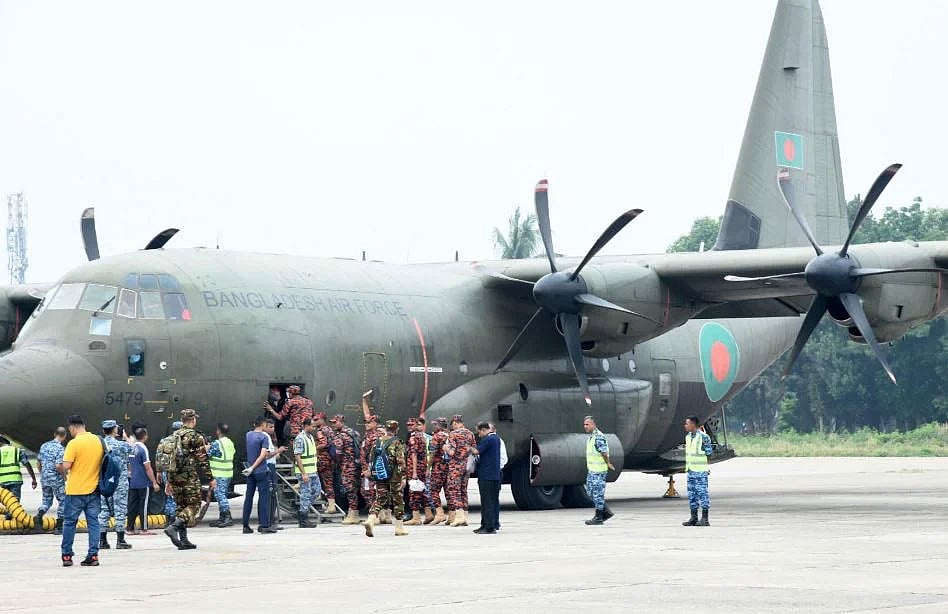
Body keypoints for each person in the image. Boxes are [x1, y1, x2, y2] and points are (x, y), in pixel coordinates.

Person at [163, 409, 214, 550]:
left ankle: (184, 540)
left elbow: (169, 460)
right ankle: (173, 527)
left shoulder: (174, 436)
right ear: (193, 420)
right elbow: (202, 459)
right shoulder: (195, 437)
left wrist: (168, 481)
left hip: (174, 477)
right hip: (189, 477)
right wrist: (210, 478)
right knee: (194, 505)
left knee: (181, 507)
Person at [57, 414, 104, 567]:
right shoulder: (98, 441)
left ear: (72, 427)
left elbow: (66, 466)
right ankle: (93, 555)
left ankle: (67, 556)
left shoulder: (73, 444)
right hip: (94, 490)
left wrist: (59, 467)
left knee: (70, 523)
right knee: (93, 523)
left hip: (75, 491)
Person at [363, 420, 408, 538]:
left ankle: (371, 520)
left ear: (386, 429)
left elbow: (371, 459)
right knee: (398, 499)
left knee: (380, 498)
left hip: (380, 474)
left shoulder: (377, 442)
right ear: (396, 429)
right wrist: (403, 476)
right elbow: (400, 461)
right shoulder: (398, 442)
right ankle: (399, 528)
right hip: (394, 475)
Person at [98, 420, 134, 550]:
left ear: (103, 431)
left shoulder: (99, 444)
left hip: (104, 481)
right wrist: (125, 437)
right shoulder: (121, 444)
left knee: (104, 510)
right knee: (120, 509)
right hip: (119, 481)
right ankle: (120, 540)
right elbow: (134, 450)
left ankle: (102, 540)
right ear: (115, 430)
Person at [242, 416, 275, 534]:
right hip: (260, 471)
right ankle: (264, 525)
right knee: (264, 498)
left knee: (248, 497)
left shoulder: (248, 435)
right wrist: (253, 467)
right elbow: (263, 456)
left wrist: (250, 468)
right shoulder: (264, 437)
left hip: (250, 473)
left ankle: (245, 525)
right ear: (263, 425)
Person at [468, 421, 501, 534]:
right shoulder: (495, 438)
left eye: (479, 432)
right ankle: (485, 525)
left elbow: (477, 451)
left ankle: (489, 527)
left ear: (483, 430)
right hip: (491, 475)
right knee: (487, 502)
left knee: (488, 502)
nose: (478, 435)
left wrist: (467, 446)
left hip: (488, 476)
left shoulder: (489, 439)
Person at [126, 427, 159, 535]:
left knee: (132, 505)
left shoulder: (132, 448)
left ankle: (130, 528)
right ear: (145, 436)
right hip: (143, 482)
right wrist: (154, 482)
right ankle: (144, 529)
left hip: (133, 482)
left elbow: (129, 465)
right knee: (143, 505)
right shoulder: (143, 449)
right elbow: (148, 467)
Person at [583, 416, 615, 526]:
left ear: (593, 425)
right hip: (592, 470)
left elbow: (604, 452)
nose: (585, 426)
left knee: (597, 494)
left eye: (587, 424)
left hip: (599, 471)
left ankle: (599, 516)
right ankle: (606, 511)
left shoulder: (598, 437)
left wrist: (608, 463)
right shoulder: (591, 437)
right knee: (590, 492)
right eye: (584, 424)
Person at [682, 415, 713, 527]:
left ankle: (705, 518)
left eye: (687, 423)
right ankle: (693, 517)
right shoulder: (688, 437)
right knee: (692, 495)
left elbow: (709, 453)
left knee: (702, 494)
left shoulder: (704, 437)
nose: (685, 426)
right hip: (690, 470)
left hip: (700, 471)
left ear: (693, 425)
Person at [445, 414, 476, 527]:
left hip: (456, 466)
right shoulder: (470, 434)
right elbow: (474, 450)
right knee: (463, 490)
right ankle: (465, 516)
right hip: (467, 466)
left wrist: (446, 448)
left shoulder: (453, 434)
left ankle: (459, 516)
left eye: (453, 424)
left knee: (453, 489)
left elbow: (452, 452)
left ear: (455, 423)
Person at [330, 414, 361, 525]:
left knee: (349, 490)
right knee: (356, 489)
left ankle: (353, 514)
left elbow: (337, 453)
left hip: (347, 466)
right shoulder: (354, 432)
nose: (333, 425)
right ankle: (355, 513)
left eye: (335, 422)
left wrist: (338, 464)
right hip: (357, 465)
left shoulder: (340, 436)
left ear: (341, 422)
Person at [34, 427, 67, 533]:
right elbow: (58, 465)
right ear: (64, 436)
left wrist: (43, 473)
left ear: (54, 434)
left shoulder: (44, 446)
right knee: (63, 500)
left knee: (46, 500)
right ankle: (59, 525)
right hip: (56, 478)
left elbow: (38, 463)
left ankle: (39, 516)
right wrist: (64, 475)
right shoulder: (60, 448)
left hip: (45, 478)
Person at [293, 418, 320, 528]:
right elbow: (297, 456)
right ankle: (303, 519)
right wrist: (303, 473)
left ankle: (301, 512)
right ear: (306, 425)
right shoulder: (300, 438)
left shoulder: (310, 437)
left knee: (317, 491)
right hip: (305, 472)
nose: (313, 428)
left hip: (313, 470)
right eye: (312, 426)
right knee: (305, 494)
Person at [360, 410, 386, 522]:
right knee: (375, 490)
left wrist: (367, 469)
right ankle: (381, 514)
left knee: (368, 490)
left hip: (373, 467)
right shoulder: (371, 435)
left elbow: (375, 454)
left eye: (369, 422)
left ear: (375, 423)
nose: (366, 424)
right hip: (374, 466)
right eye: (366, 422)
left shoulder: (375, 437)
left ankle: (375, 515)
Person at [405, 417, 432, 525]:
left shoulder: (414, 437)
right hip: (422, 466)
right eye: (408, 424)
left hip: (415, 468)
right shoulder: (422, 436)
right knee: (422, 491)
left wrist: (414, 471)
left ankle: (416, 518)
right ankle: (429, 514)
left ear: (416, 425)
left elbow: (414, 454)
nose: (409, 426)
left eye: (411, 425)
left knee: (414, 491)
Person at [208, 422, 236, 528]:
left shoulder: (217, 443)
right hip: (227, 472)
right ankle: (222, 518)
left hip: (219, 473)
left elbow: (207, 455)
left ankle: (227, 517)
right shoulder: (229, 442)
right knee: (221, 494)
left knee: (220, 495)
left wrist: (207, 447)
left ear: (218, 431)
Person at [0, 434, 37, 513]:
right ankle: (12, 518)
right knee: (14, 503)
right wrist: (33, 479)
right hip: (15, 480)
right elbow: (27, 464)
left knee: (5, 501)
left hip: (2, 481)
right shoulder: (17, 450)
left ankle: (9, 519)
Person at [263, 418, 287, 529]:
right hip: (268, 467)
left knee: (272, 495)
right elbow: (267, 455)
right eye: (270, 427)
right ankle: (269, 521)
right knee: (271, 494)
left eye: (273, 427)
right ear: (264, 426)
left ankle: (270, 521)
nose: (272, 429)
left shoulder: (269, 437)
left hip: (271, 466)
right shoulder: (265, 437)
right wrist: (279, 450)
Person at [313, 412, 338, 514]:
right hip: (330, 459)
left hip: (323, 459)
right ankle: (331, 505)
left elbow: (323, 444)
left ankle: (319, 496)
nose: (314, 421)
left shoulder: (320, 431)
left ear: (322, 420)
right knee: (328, 483)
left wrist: (313, 449)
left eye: (316, 420)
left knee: (315, 477)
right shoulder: (329, 429)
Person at [427, 417, 450, 525]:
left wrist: (428, 467)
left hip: (438, 467)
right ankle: (452, 515)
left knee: (433, 490)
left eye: (435, 425)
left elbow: (432, 454)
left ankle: (440, 514)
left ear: (439, 426)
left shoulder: (436, 437)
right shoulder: (451, 435)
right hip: (450, 467)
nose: (434, 427)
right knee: (448, 491)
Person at [489, 422, 507, 531]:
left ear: (494, 430)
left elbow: (504, 459)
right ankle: (492, 522)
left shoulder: (498, 441)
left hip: (495, 473)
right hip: (492, 472)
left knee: (493, 499)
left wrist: (495, 467)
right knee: (490, 500)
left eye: (489, 430)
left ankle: (495, 522)